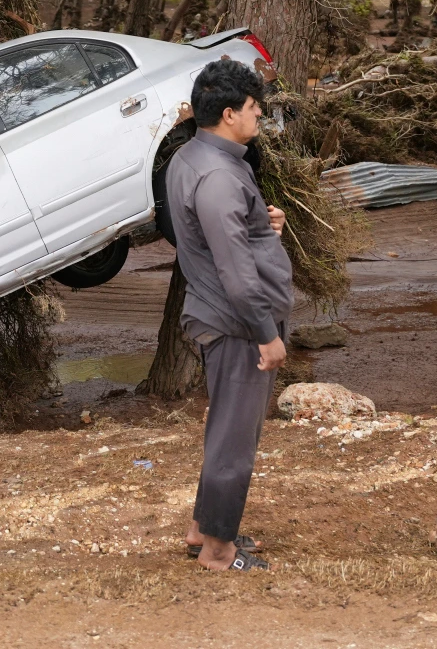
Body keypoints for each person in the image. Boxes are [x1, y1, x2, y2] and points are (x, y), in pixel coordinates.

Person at [163, 57, 291, 572]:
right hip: (238, 324)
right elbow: (236, 272)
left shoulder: (192, 157)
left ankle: (203, 528)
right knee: (236, 439)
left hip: (222, 315)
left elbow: (207, 231)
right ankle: (218, 552)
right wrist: (267, 334)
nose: (259, 116)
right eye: (255, 108)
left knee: (226, 429)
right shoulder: (218, 176)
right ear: (232, 113)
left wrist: (263, 221)